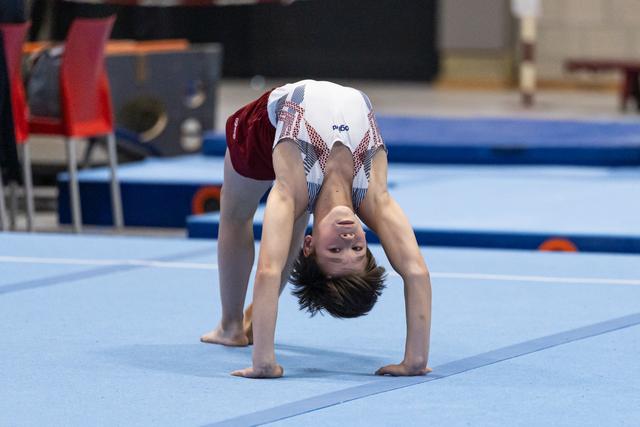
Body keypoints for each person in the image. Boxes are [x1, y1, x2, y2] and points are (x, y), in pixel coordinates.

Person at [201, 80, 432, 379]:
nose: (348, 238)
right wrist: (414, 360)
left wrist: (264, 362)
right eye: (358, 249)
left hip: (265, 127)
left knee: (235, 214)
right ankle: (241, 325)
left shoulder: (291, 192)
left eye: (335, 250)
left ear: (308, 246)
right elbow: (416, 272)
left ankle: (231, 326)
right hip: (300, 168)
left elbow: (268, 270)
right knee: (292, 217)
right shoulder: (374, 196)